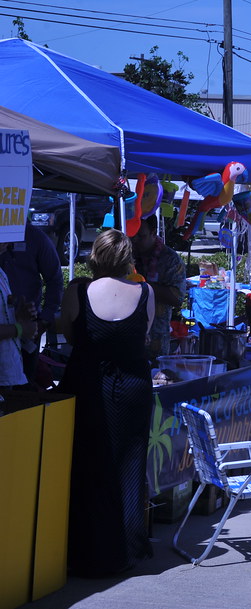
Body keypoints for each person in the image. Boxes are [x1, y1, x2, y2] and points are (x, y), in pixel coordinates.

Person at [58, 229, 156, 576]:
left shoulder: (77, 291)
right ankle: (127, 547)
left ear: (95, 256)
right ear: (127, 259)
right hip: (133, 389)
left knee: (89, 466)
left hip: (88, 386)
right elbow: (142, 336)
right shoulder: (145, 292)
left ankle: (89, 551)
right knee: (129, 467)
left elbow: (69, 335)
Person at [0, 223, 62, 382]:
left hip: (28, 331)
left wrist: (44, 320)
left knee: (24, 386)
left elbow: (55, 279)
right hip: (13, 329)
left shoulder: (35, 237)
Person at [131, 214, 185, 359]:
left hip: (156, 338)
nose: (135, 240)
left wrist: (142, 286)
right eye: (133, 236)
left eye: (140, 236)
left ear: (153, 233)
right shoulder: (127, 255)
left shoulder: (170, 259)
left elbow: (177, 298)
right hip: (128, 334)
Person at [0, 263, 38, 390]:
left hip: (7, 373)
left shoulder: (1, 273)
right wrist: (20, 329)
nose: (8, 244)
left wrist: (18, 316)